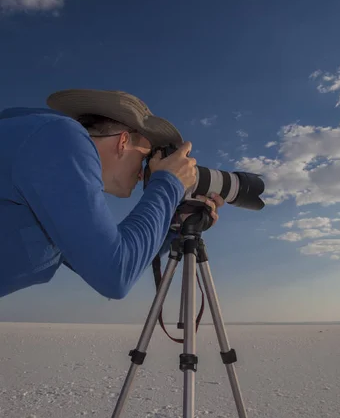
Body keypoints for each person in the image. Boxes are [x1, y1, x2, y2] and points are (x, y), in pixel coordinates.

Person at [0, 89, 223, 299]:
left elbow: (115, 259)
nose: (142, 175)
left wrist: (174, 225)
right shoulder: (62, 137)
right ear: (123, 141)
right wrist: (168, 184)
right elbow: (115, 274)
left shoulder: (51, 174)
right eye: (145, 159)